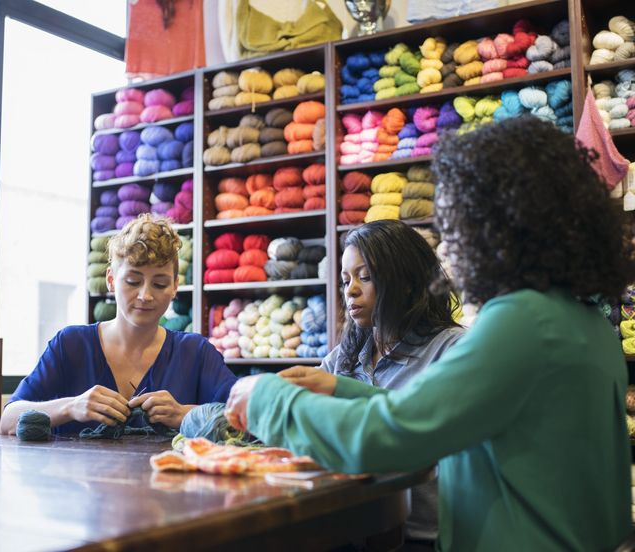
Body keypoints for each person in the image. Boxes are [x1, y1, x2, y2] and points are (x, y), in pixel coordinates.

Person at [225, 116, 634, 551]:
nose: (452, 241)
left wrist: (268, 398)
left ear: (497, 224)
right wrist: (345, 390)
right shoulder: (581, 321)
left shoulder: (523, 322)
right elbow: (448, 414)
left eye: (458, 220)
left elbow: (388, 439)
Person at [287, 219, 463, 549]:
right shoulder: (347, 356)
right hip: (351, 530)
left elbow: (417, 428)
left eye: (365, 277)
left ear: (408, 282)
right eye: (345, 280)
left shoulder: (452, 350)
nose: (351, 289)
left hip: (421, 538)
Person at [1, 214, 237, 436]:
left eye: (160, 284)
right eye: (133, 281)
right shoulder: (70, 345)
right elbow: (8, 421)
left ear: (175, 286)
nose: (145, 295)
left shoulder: (194, 353)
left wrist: (183, 414)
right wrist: (72, 406)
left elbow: (246, 417)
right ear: (111, 280)